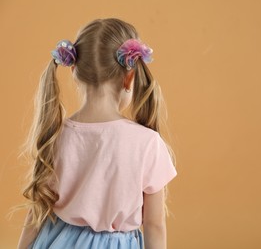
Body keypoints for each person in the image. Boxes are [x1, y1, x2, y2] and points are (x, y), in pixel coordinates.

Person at [17, 18, 177, 249]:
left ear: (73, 70)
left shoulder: (56, 136)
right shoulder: (147, 143)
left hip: (56, 241)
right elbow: (154, 225)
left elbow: (37, 212)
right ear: (130, 76)